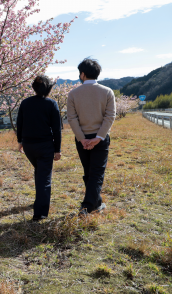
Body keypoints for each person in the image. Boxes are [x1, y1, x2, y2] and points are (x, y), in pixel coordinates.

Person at [67, 58, 116, 216]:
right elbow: (110, 116)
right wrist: (99, 137)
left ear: (82, 74)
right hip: (100, 139)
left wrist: (82, 138)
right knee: (96, 173)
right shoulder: (107, 92)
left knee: (89, 172)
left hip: (82, 139)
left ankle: (90, 205)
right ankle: (91, 206)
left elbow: (72, 118)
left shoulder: (73, 93)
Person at [17, 75, 62, 222]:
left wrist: (20, 141)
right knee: (44, 178)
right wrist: (57, 149)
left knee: (40, 172)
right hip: (45, 146)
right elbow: (56, 129)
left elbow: (20, 124)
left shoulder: (25, 103)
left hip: (29, 146)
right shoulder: (51, 104)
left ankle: (38, 201)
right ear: (48, 89)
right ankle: (40, 213)